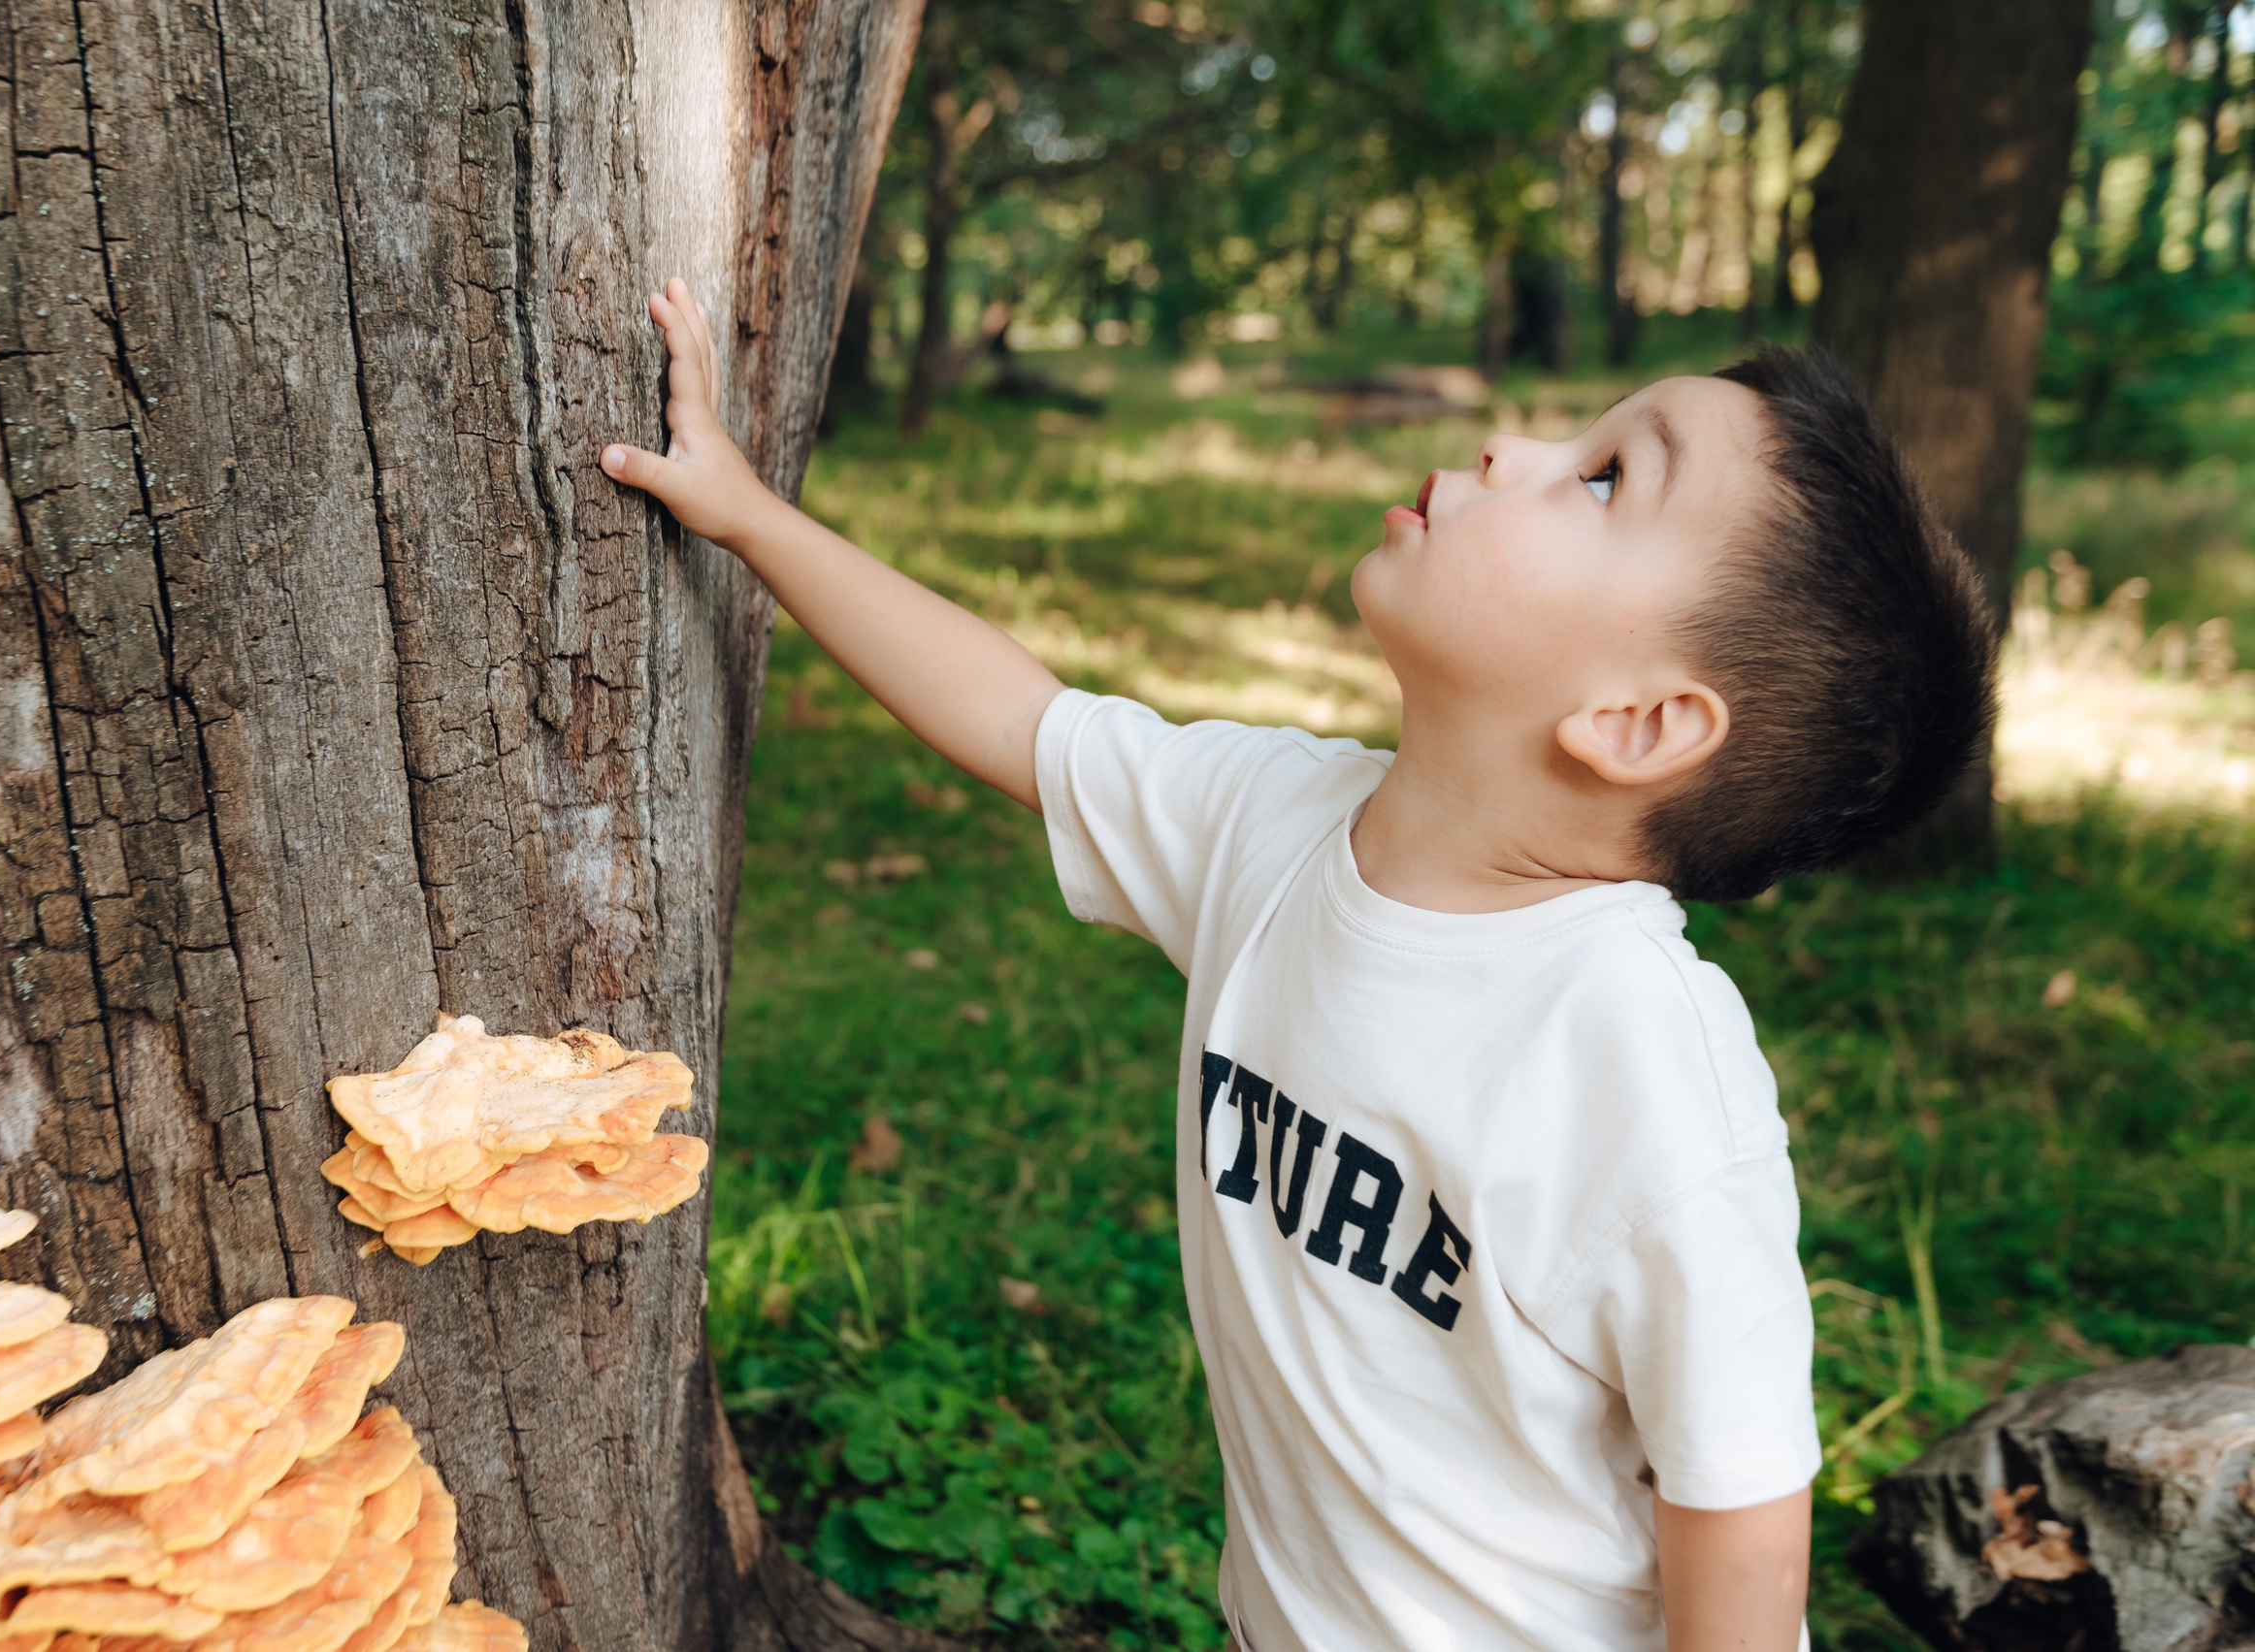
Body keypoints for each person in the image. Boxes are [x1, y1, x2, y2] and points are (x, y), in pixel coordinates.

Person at [603, 277, 1996, 1652]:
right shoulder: (1274, 821)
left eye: (1602, 478)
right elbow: (1023, 719)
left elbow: (1740, 1493)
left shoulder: (1637, 1059)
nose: (1516, 449)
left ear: (1635, 722)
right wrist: (744, 512)